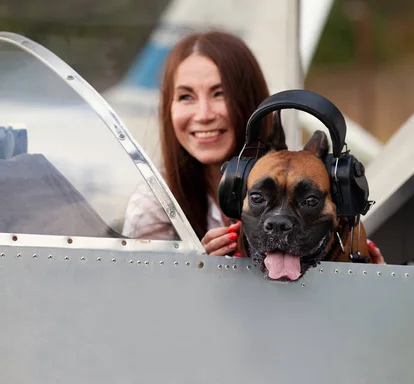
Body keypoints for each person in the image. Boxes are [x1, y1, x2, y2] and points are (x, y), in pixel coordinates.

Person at [121, 30, 385, 263]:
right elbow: (143, 301)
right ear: (169, 108)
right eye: (186, 96)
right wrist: (197, 272)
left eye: (219, 93)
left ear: (251, 102)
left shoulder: (301, 172)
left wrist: (369, 282)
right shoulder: (153, 203)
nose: (203, 114)